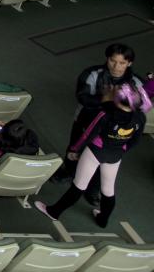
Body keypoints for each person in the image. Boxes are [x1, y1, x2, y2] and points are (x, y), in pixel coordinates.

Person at [36, 83, 149, 228]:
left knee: (79, 185)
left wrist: (74, 149)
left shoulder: (105, 114)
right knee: (108, 190)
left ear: (117, 98)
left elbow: (88, 134)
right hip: (115, 155)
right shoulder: (140, 117)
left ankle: (54, 212)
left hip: (96, 151)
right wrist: (121, 149)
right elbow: (135, 141)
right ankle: (103, 220)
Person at [53, 44, 145, 203]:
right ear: (107, 59)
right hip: (85, 122)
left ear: (129, 63)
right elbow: (82, 97)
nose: (116, 67)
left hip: (114, 130)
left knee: (104, 161)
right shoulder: (92, 74)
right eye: (112, 61)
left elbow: (142, 106)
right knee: (74, 149)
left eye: (122, 63)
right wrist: (107, 97)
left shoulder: (136, 82)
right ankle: (68, 172)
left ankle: (93, 190)